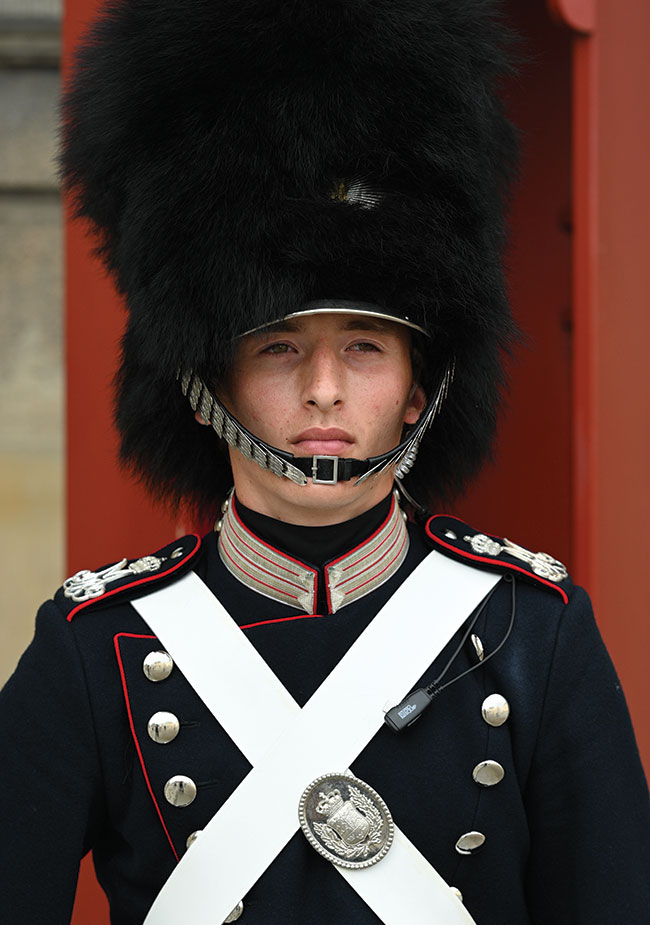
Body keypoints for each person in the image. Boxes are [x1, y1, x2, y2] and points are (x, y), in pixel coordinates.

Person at [2, 1, 649, 923]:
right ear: (207, 384)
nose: (323, 390)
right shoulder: (94, 644)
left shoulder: (534, 634)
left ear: (420, 394)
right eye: (276, 348)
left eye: (366, 349)